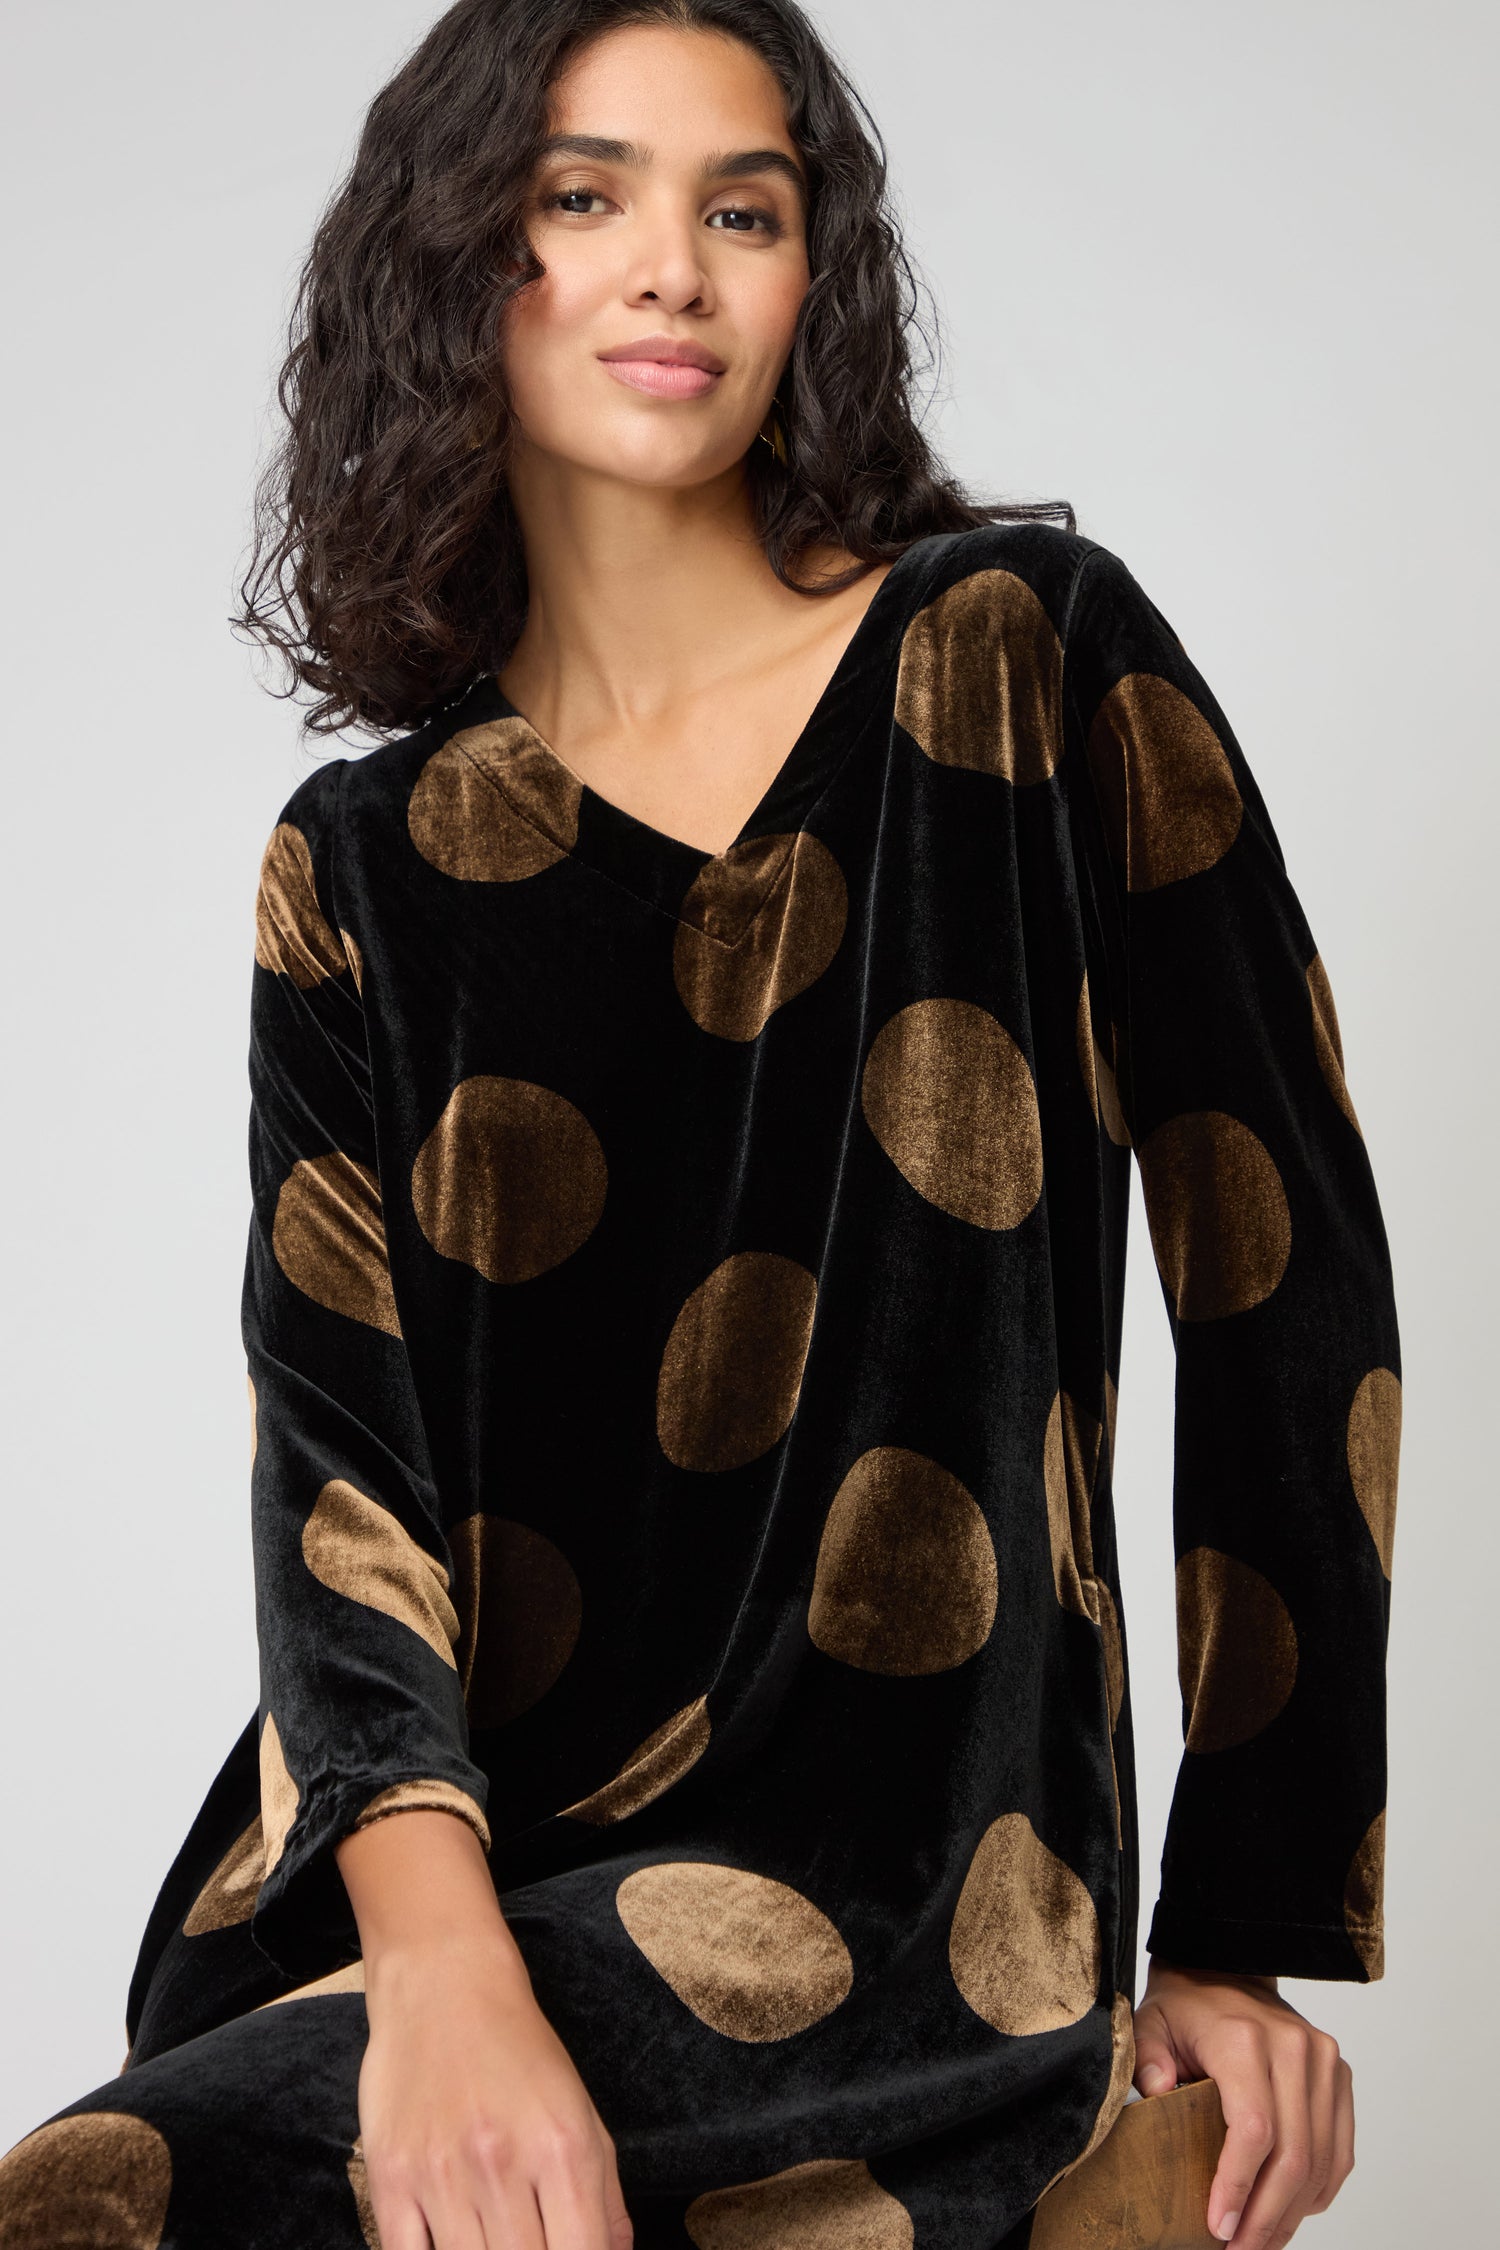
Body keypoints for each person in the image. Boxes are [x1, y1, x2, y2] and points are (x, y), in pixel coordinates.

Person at [0, 2, 1399, 2246]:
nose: (674, 265)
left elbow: (1288, 1281)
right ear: (460, 259)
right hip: (434, 1882)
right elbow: (341, 1476)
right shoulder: (360, 866)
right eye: (586, 195)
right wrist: (440, 1979)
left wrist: (1240, 1932)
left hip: (913, 1894)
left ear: (809, 275)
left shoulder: (1021, 656)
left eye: (744, 210)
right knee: (96, 2194)